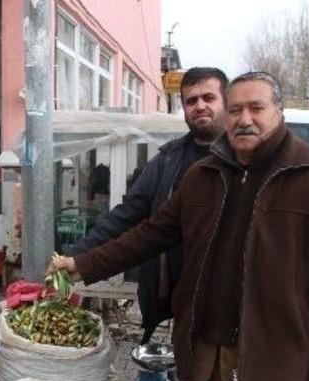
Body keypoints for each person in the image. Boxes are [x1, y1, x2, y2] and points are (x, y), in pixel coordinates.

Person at [51, 72, 309, 381]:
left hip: (270, 370)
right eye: (236, 109)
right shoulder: (204, 175)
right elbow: (149, 234)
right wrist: (82, 265)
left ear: (279, 111)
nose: (244, 118)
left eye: (256, 107)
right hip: (200, 362)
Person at [66, 67, 229, 344]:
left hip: (225, 296)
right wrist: (76, 256)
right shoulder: (168, 161)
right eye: (191, 101)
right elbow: (127, 216)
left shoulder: (242, 160)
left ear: (226, 101)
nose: (200, 106)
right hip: (173, 289)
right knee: (183, 371)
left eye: (208, 98)